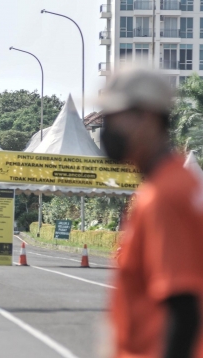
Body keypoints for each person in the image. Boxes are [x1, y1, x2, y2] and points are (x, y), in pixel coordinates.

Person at [99, 69, 203, 357]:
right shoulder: (182, 183)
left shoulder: (163, 196)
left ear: (146, 117)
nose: (107, 130)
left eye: (113, 118)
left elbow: (183, 308)